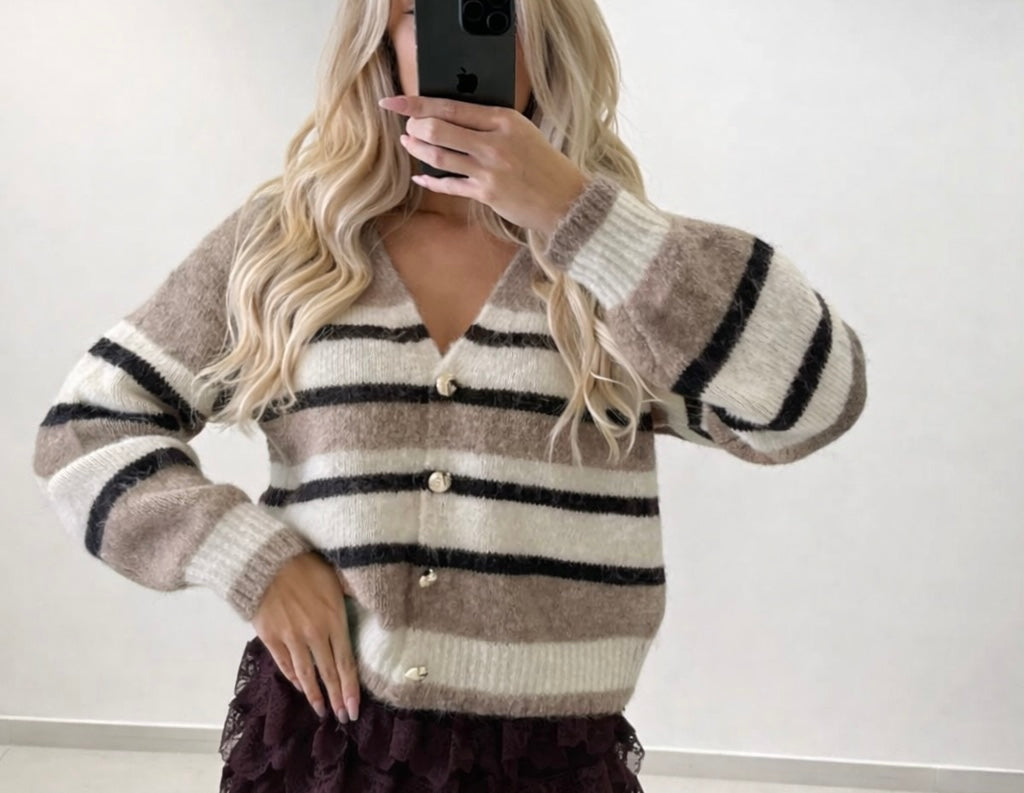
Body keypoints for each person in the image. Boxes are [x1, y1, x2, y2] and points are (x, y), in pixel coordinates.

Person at [31, 0, 869, 791]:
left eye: (493, 9)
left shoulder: (624, 267)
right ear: (380, 39)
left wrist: (579, 214)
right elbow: (84, 431)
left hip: (551, 758)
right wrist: (249, 560)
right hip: (328, 744)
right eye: (419, 11)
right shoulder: (288, 245)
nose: (458, 33)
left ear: (548, 30)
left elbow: (817, 400)